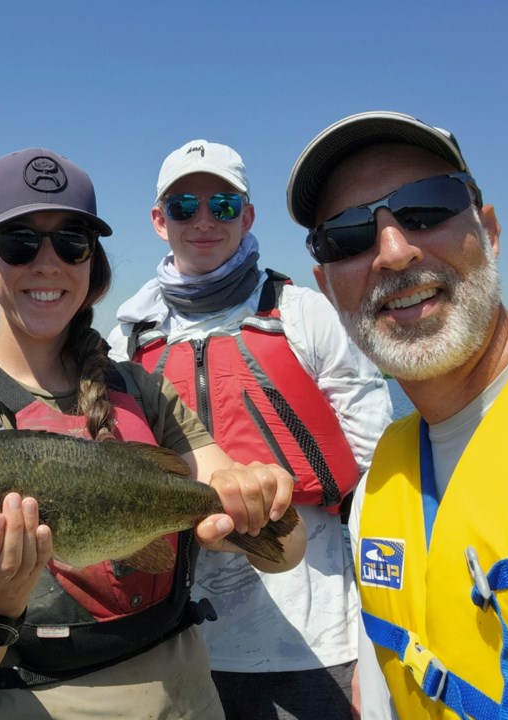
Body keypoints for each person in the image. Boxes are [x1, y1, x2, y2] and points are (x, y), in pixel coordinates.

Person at [0, 146, 307, 719]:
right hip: (30, 698)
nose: (47, 262)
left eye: (72, 242)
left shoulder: (141, 389)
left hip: (182, 690)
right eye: (19, 243)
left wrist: (265, 502)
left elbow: (282, 553)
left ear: (92, 263)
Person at [287, 110, 508, 720]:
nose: (392, 250)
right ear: (327, 285)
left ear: (489, 231)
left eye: (426, 208)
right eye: (347, 235)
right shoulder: (376, 492)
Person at [107, 139, 393, 719]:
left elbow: (383, 485)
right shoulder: (127, 339)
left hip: (315, 644)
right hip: (176, 643)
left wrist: (377, 642)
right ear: (161, 221)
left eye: (224, 205)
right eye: (185, 207)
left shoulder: (305, 314)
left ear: (249, 217)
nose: (204, 220)